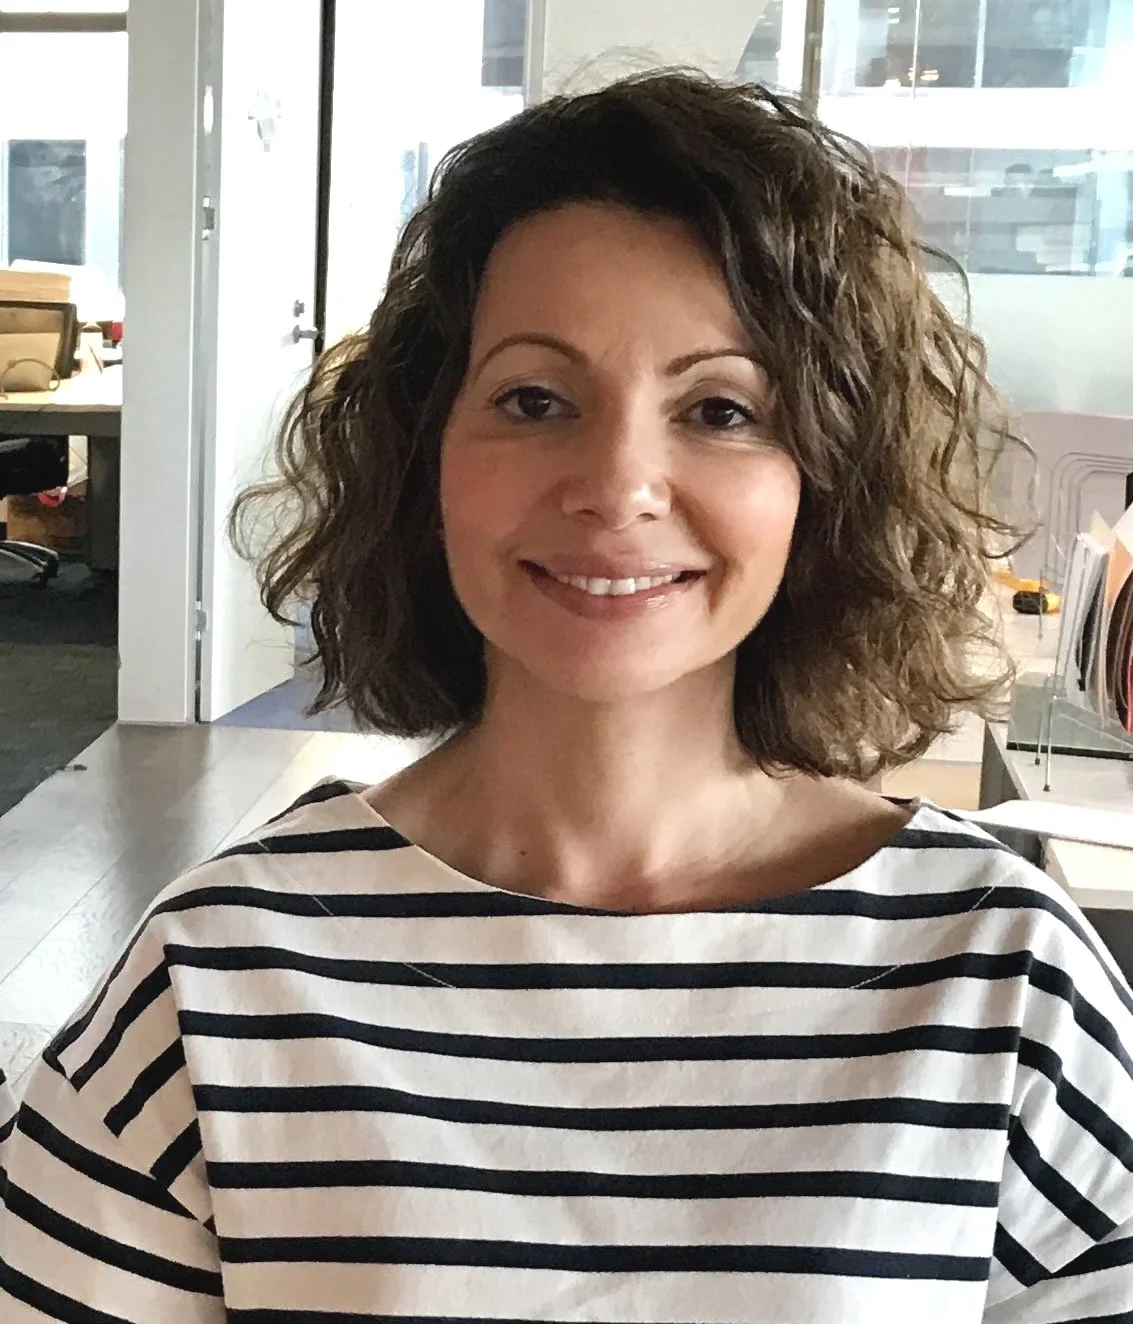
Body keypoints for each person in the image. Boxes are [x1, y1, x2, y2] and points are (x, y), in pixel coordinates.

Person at [2, 71, 1131, 1323]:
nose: (616, 484)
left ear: (822, 480)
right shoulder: (217, 974)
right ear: (425, 454)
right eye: (535, 399)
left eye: (719, 408)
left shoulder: (1005, 975)